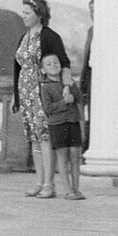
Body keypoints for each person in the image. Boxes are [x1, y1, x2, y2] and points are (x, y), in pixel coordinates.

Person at [10, 0, 73, 199]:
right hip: (26, 92)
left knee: (45, 137)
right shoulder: (24, 36)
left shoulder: (49, 36)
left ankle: (49, 184)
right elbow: (18, 68)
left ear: (38, 13)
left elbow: (63, 63)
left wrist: (65, 87)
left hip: (43, 92)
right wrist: (16, 95)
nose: (23, 16)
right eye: (23, 12)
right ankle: (39, 181)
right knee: (34, 139)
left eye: (27, 12)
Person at [39, 53, 84, 200]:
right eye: (49, 64)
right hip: (57, 125)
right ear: (43, 70)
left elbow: (79, 98)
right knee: (63, 157)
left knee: (75, 156)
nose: (53, 65)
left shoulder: (68, 82)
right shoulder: (45, 88)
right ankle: (68, 190)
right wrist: (64, 102)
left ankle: (76, 189)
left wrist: (70, 85)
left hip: (73, 122)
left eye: (56, 62)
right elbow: (48, 109)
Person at [78, 0, 94, 152]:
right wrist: (82, 87)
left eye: (95, 11)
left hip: (105, 83)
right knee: (90, 116)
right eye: (91, 11)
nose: (93, 15)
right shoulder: (91, 31)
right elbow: (86, 61)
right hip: (91, 82)